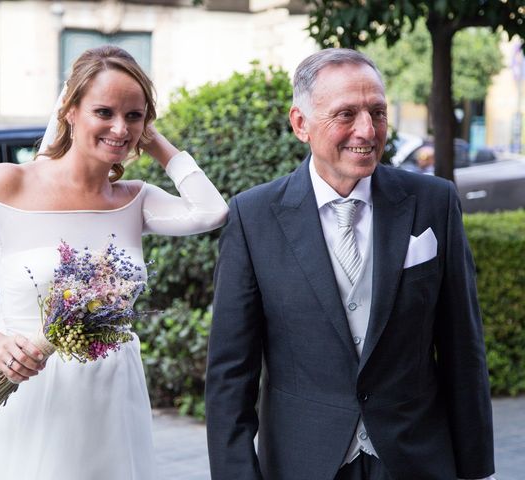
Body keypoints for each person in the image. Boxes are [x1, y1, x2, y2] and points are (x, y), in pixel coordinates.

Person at [0, 45, 228, 480]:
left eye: (134, 116)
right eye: (104, 112)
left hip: (112, 394)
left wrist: (158, 144)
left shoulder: (135, 200)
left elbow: (211, 211)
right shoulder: (6, 184)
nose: (120, 128)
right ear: (69, 111)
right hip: (25, 385)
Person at [205, 48, 494, 480]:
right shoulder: (254, 217)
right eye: (346, 114)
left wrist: (477, 470)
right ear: (300, 124)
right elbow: (230, 374)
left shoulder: (434, 202)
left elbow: (462, 349)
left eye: (377, 112)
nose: (367, 130)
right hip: (304, 462)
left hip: (415, 459)